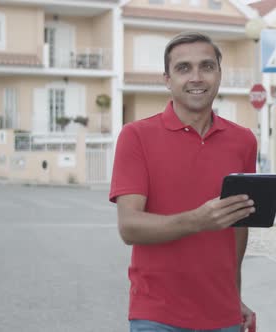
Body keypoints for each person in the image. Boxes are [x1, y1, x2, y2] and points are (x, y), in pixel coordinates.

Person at [109, 32, 257, 332]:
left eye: (206, 66)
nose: (197, 77)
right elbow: (129, 227)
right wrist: (197, 220)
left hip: (223, 315)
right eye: (183, 68)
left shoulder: (243, 141)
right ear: (167, 79)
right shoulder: (136, 136)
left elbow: (238, 229)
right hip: (156, 315)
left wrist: (235, 295)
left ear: (219, 73)